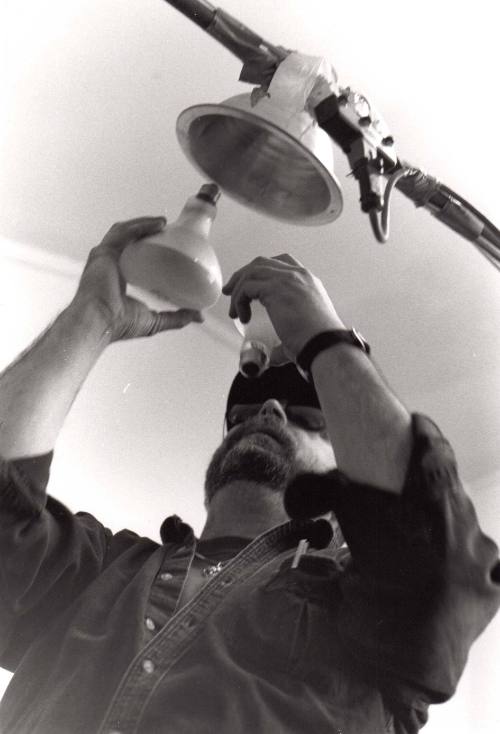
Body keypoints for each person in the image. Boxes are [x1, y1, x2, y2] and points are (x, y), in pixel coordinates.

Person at [0, 216, 498, 734]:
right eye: (245, 413)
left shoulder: (368, 611)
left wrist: (324, 338)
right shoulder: (100, 569)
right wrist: (92, 317)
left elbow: (440, 562)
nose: (268, 413)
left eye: (308, 418)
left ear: (347, 478)